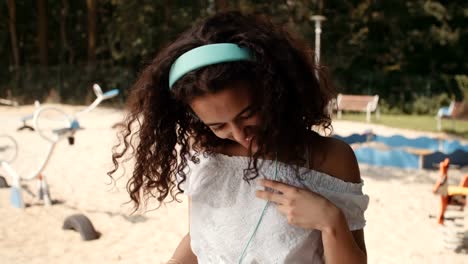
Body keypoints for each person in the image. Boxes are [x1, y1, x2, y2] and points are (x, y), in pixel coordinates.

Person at [110, 11, 369, 264]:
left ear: (274, 92)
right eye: (218, 125)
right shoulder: (202, 152)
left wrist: (330, 221)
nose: (240, 135)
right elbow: (200, 238)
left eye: (248, 115)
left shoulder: (331, 158)